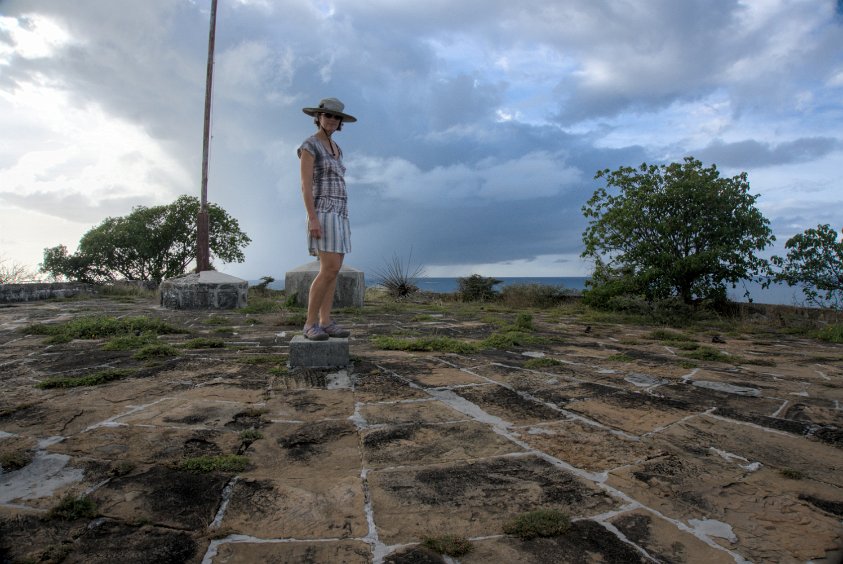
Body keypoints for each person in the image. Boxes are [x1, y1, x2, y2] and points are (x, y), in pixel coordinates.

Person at [297, 97, 356, 340]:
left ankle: (326, 320)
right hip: (323, 210)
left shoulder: (336, 148)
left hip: (340, 211)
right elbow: (305, 184)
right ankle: (310, 324)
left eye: (336, 117)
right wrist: (313, 218)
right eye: (327, 115)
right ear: (318, 117)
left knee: (334, 270)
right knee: (328, 267)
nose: (331, 120)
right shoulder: (310, 146)